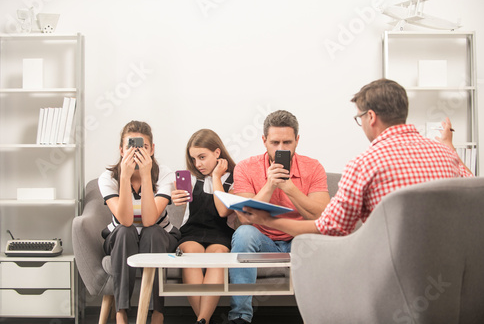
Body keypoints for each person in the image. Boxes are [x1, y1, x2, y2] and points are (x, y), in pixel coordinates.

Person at [235, 78, 473, 239]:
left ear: (371, 117)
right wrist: (450, 149)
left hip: (392, 268)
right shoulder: (445, 154)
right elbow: (475, 186)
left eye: (359, 118)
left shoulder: (364, 164)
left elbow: (330, 227)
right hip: (450, 268)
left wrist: (269, 220)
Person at [228, 110, 330, 324]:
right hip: (262, 241)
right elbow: (246, 219)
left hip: (298, 240)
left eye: (287, 142)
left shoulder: (314, 167)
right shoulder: (246, 168)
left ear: (297, 141)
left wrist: (290, 188)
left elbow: (323, 217)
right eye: (275, 142)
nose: (281, 148)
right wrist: (270, 184)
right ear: (264, 141)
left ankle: (318, 316)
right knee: (244, 233)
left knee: (318, 239)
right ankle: (240, 316)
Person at [99, 120, 180, 324]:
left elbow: (149, 219)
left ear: (152, 149)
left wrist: (145, 175)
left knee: (151, 231)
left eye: (143, 147)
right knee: (126, 231)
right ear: (121, 150)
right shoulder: (108, 177)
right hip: (120, 237)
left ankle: (157, 312)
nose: (136, 152)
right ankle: (121, 311)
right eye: (131, 146)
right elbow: (124, 220)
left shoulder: (165, 174)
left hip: (159, 235)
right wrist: (125, 178)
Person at [172, 129, 237, 324]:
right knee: (191, 253)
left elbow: (224, 210)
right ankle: (203, 320)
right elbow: (169, 194)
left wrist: (216, 177)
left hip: (221, 233)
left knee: (217, 256)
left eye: (202, 157)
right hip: (192, 232)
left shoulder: (234, 179)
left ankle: (201, 320)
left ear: (217, 153)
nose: (197, 164)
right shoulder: (189, 178)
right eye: (193, 159)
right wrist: (173, 197)